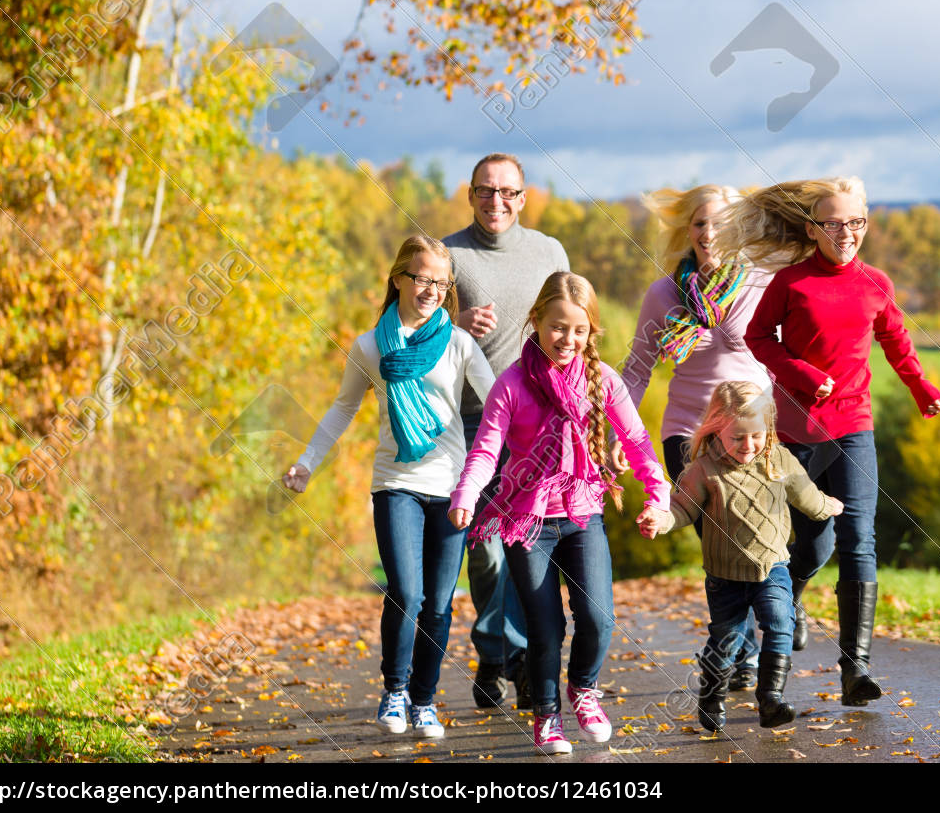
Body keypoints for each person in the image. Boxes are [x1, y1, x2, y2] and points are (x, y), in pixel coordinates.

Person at [728, 177, 940, 707]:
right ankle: (792, 602)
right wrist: (799, 372)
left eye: (856, 223)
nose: (847, 233)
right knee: (808, 546)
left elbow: (895, 338)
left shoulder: (876, 282)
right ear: (813, 229)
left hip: (854, 426)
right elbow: (757, 337)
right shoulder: (791, 283)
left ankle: (856, 669)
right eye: (834, 224)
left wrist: (921, 387)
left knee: (858, 540)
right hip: (797, 435)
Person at [449, 272, 671, 755]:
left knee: (598, 616)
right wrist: (466, 495)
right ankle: (547, 715)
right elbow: (487, 449)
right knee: (544, 626)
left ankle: (584, 690)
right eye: (557, 327)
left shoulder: (603, 381)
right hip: (527, 523)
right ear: (536, 322)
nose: (567, 339)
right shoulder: (511, 384)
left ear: (591, 331)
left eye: (578, 330)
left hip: (583, 511)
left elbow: (634, 441)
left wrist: (659, 494)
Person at [283, 234, 495, 736]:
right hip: (395, 482)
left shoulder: (460, 343)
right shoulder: (370, 345)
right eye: (422, 279)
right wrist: (307, 462)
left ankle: (425, 701)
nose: (432, 290)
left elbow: (499, 403)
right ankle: (395, 692)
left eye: (441, 283)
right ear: (399, 278)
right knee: (406, 591)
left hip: (450, 487)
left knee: (441, 603)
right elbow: (342, 408)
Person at [621, 184, 771, 691]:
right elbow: (638, 368)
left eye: (722, 224)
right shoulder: (664, 293)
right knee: (719, 542)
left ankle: (752, 634)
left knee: (752, 541)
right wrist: (611, 428)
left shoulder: (763, 283)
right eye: (701, 223)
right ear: (688, 230)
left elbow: (795, 346)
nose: (710, 234)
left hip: (752, 432)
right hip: (688, 431)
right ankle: (740, 648)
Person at [444, 153, 569, 711]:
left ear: (524, 196)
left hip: (536, 421)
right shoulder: (447, 255)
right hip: (471, 418)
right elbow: (405, 327)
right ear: (470, 195)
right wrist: (453, 327)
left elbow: (569, 325)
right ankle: (497, 649)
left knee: (523, 542)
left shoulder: (549, 252)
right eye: (485, 191)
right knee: (487, 549)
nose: (497, 202)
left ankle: (507, 656)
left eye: (508, 192)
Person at [647, 381, 843, 732]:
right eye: (737, 437)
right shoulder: (703, 470)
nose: (748, 445)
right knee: (726, 641)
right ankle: (711, 696)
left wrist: (830, 506)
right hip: (725, 578)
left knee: (781, 624)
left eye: (756, 435)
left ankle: (770, 700)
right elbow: (681, 509)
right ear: (716, 428)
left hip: (773, 567)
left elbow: (808, 497)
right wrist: (660, 520)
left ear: (768, 428)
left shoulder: (780, 459)